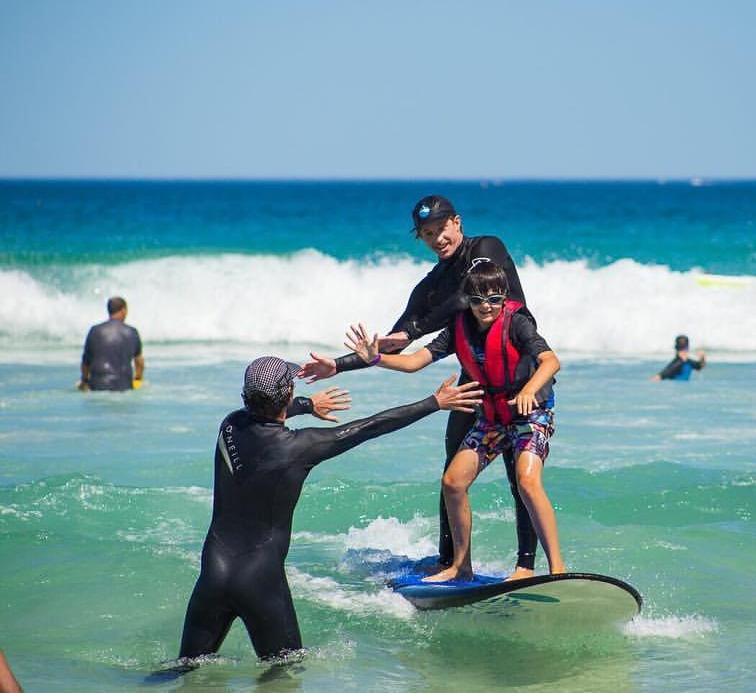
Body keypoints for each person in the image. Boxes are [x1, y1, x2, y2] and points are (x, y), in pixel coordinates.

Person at [176, 356, 481, 666]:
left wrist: (307, 405)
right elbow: (369, 427)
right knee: (285, 673)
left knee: (183, 672)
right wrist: (434, 402)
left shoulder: (229, 424)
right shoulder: (299, 446)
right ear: (288, 393)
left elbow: (260, 412)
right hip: (260, 580)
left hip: (213, 573)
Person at [299, 194, 541, 580]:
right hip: (474, 383)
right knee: (452, 474)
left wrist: (413, 330)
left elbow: (467, 296)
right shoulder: (430, 286)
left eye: (441, 229)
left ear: (457, 223)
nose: (436, 239)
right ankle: (452, 561)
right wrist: (338, 366)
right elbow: (391, 346)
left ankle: (525, 566)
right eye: (427, 234)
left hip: (518, 382)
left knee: (519, 477)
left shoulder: (486, 248)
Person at [343, 262, 564, 582]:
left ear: (504, 298)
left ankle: (557, 570)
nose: (486, 307)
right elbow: (414, 361)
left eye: (494, 299)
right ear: (467, 301)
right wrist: (375, 358)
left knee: (527, 482)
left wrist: (529, 389)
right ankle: (461, 566)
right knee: (453, 482)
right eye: (477, 300)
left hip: (532, 413)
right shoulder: (459, 327)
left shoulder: (516, 324)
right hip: (493, 419)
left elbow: (550, 360)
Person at [79, 296, 144, 391]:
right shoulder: (132, 332)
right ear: (123, 310)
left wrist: (84, 381)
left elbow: (85, 362)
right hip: (124, 386)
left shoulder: (94, 331)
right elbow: (139, 362)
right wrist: (138, 379)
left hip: (98, 385)